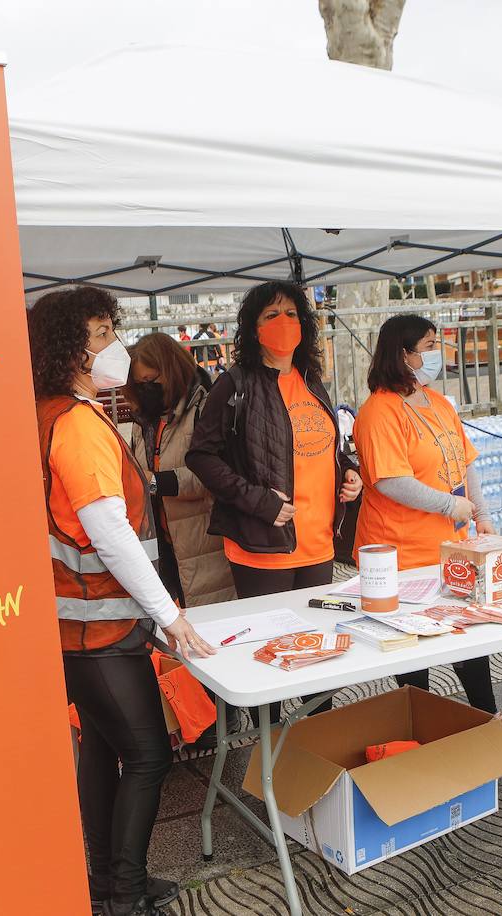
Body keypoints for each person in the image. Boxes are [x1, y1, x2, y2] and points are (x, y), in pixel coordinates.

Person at [28, 285, 215, 916]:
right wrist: (171, 615)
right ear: (70, 349)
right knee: (148, 754)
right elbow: (109, 531)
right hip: (98, 629)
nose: (118, 347)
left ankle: (106, 883)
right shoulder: (77, 425)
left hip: (83, 625)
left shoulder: (53, 410)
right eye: (103, 333)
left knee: (106, 753)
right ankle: (125, 895)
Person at [187, 281, 362, 723]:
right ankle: (271, 754)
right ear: (252, 328)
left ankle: (312, 746)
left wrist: (348, 473)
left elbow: (323, 447)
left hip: (318, 541)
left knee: (320, 654)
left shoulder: (312, 381)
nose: (283, 323)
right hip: (264, 545)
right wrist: (257, 501)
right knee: (273, 657)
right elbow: (201, 457)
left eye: (290, 313)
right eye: (271, 315)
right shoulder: (236, 384)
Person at [352, 314, 498, 712]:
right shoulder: (378, 412)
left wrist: (481, 513)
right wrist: (452, 504)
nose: (438, 353)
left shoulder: (437, 402)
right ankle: (423, 729)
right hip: (401, 554)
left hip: (452, 547)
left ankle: (487, 717)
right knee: (414, 655)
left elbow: (465, 461)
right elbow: (391, 481)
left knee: (469, 640)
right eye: (430, 346)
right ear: (403, 354)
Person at [126, 333, 236, 608]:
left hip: (205, 546)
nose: (145, 389)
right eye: (139, 384)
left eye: (151, 382)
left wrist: (155, 482)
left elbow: (217, 475)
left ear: (172, 371)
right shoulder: (144, 421)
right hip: (164, 548)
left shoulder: (204, 409)